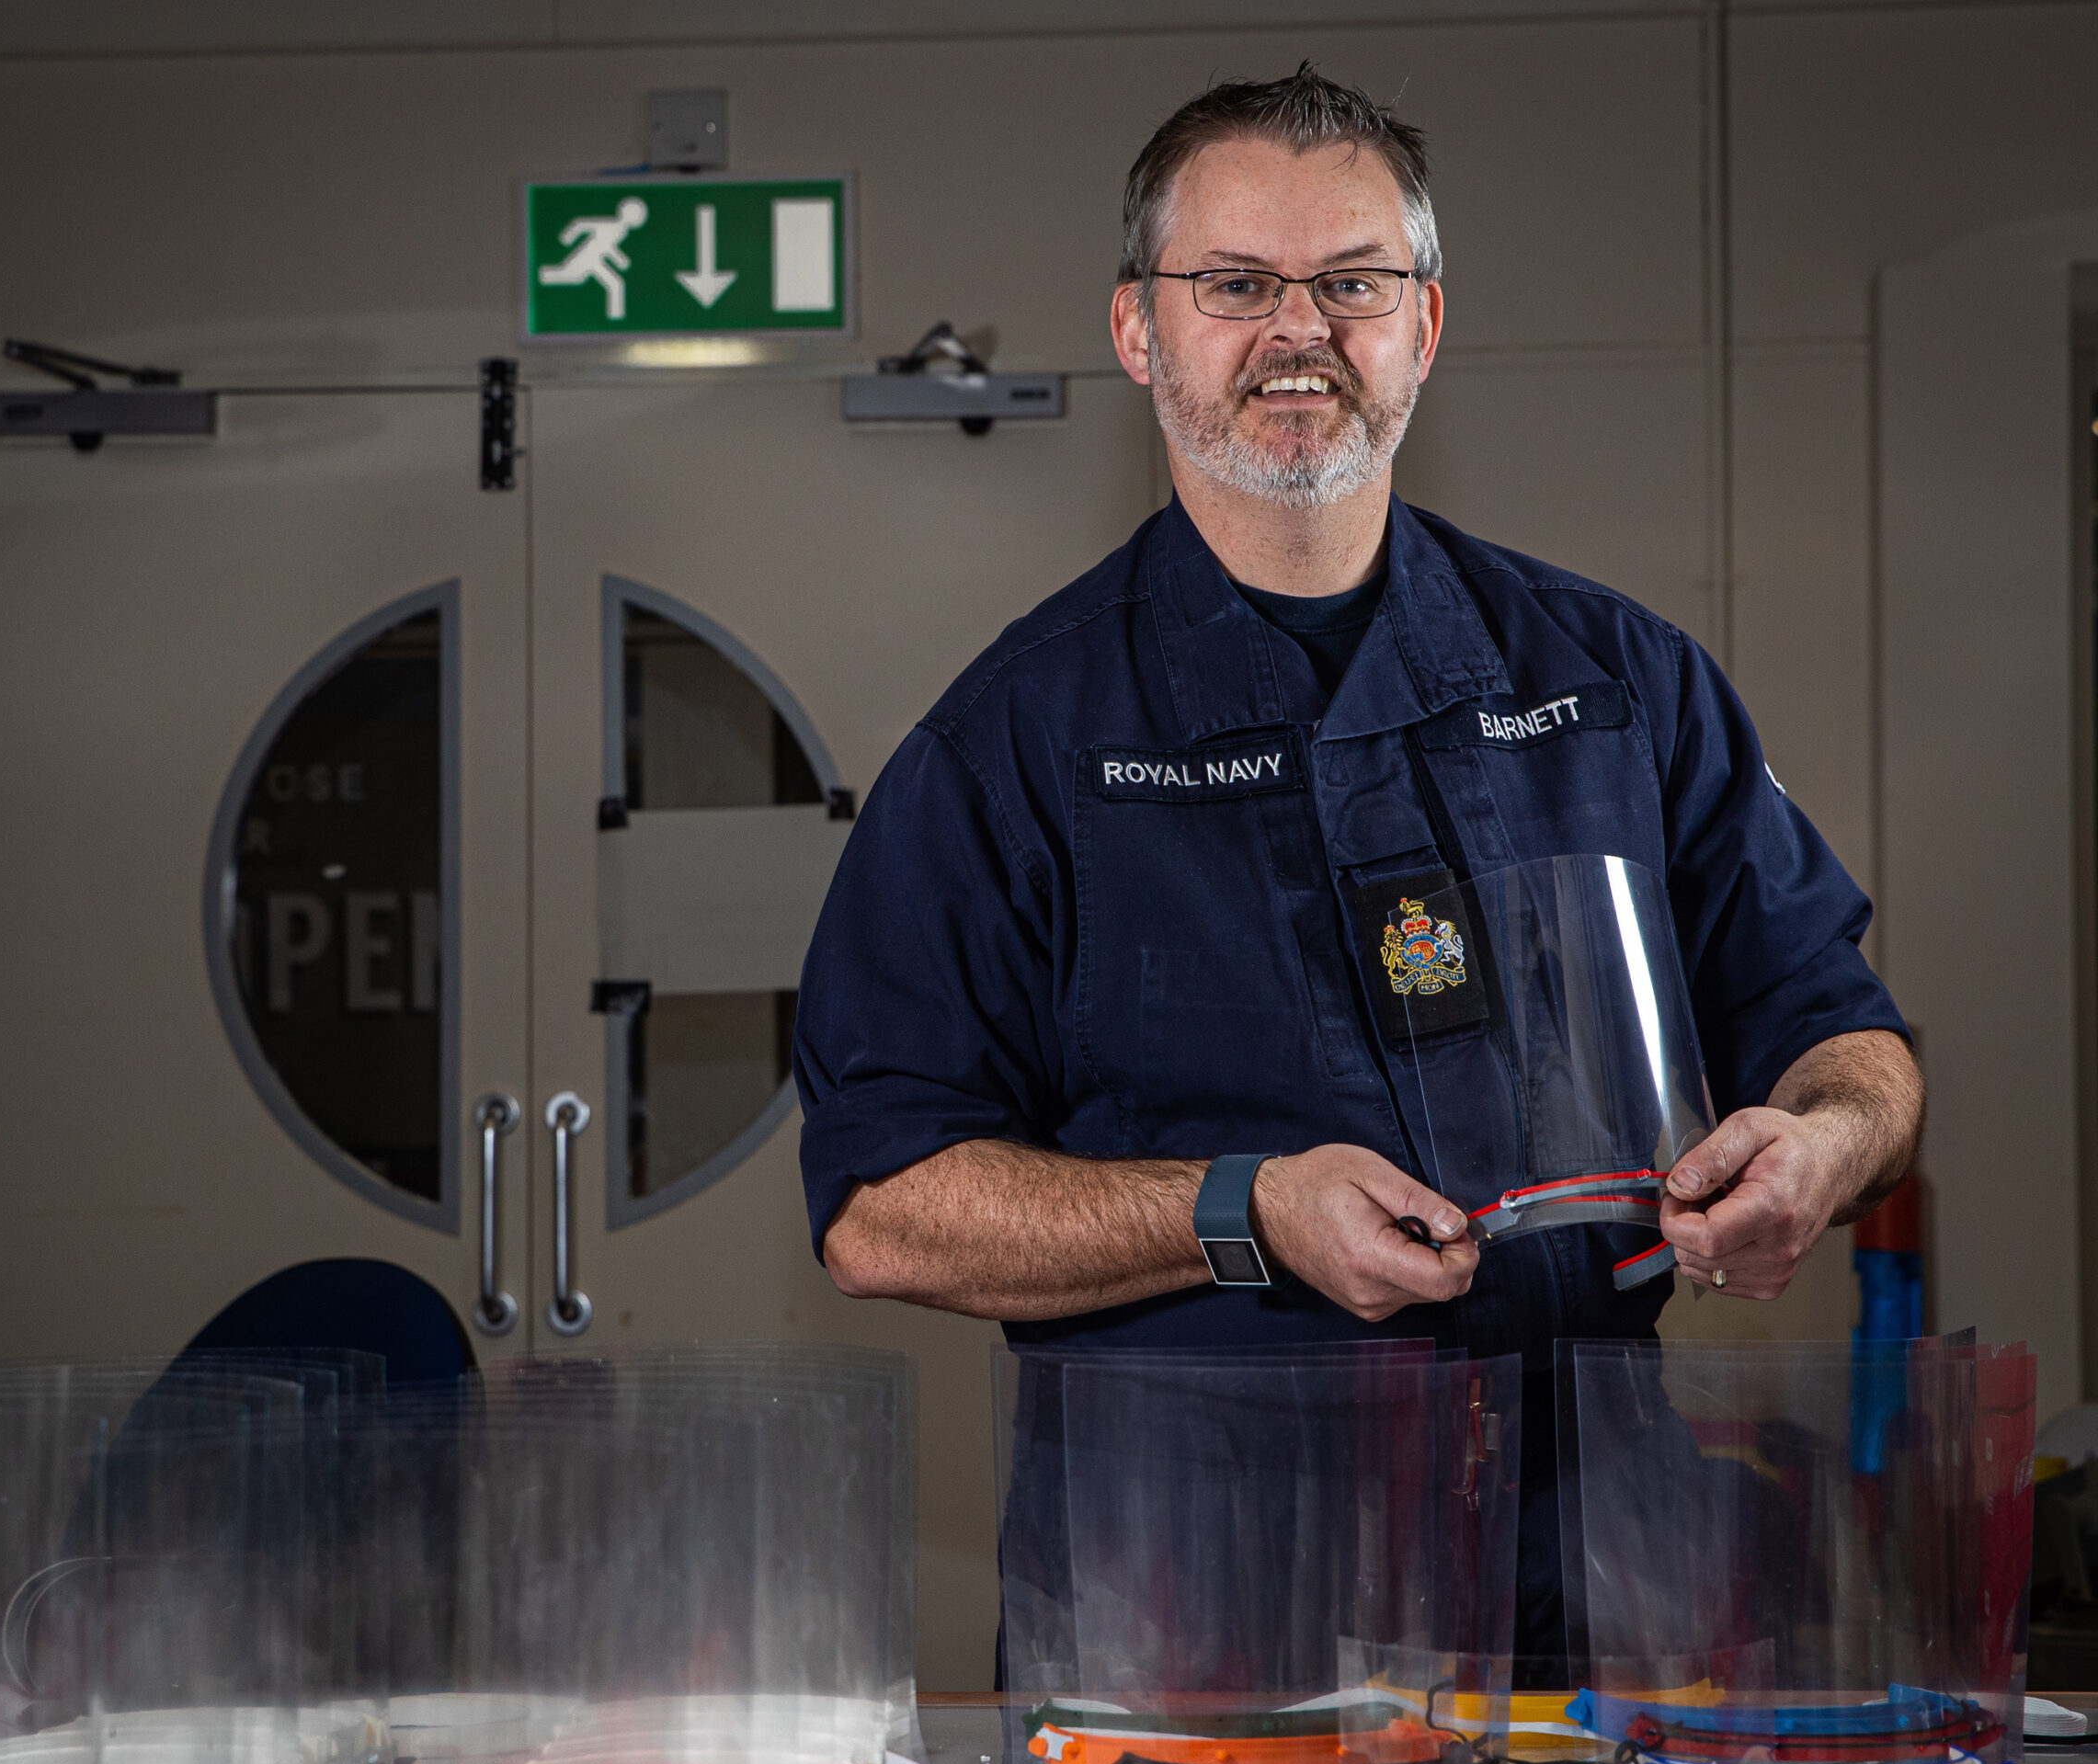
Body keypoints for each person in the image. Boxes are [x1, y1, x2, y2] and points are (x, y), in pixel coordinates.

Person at [792, 65, 1921, 1670]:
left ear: (1425, 326)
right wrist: (1240, 1209)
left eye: (1352, 284)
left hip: (1591, 1597)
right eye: (1236, 284)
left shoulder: (1614, 685)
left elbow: (1851, 1039)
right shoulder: (1018, 745)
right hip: (1196, 1613)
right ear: (1138, 330)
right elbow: (881, 1205)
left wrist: (1816, 1147)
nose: (1297, 330)